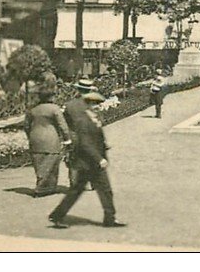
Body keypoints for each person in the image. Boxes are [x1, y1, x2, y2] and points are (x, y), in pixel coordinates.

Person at [49, 91, 125, 229]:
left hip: (90, 162)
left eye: (99, 104)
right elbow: (85, 143)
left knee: (78, 191)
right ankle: (109, 219)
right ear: (88, 104)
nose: (98, 107)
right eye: (95, 104)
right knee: (103, 189)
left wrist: (103, 146)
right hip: (88, 162)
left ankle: (57, 215)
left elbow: (96, 139)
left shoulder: (94, 118)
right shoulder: (83, 121)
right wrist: (99, 158)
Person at [24, 88, 72, 197]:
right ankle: (44, 188)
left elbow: (26, 126)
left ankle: (44, 185)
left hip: (35, 138)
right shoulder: (54, 109)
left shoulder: (32, 109)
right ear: (51, 97)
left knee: (39, 162)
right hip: (51, 138)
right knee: (51, 162)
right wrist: (67, 139)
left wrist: (30, 136)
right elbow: (62, 125)